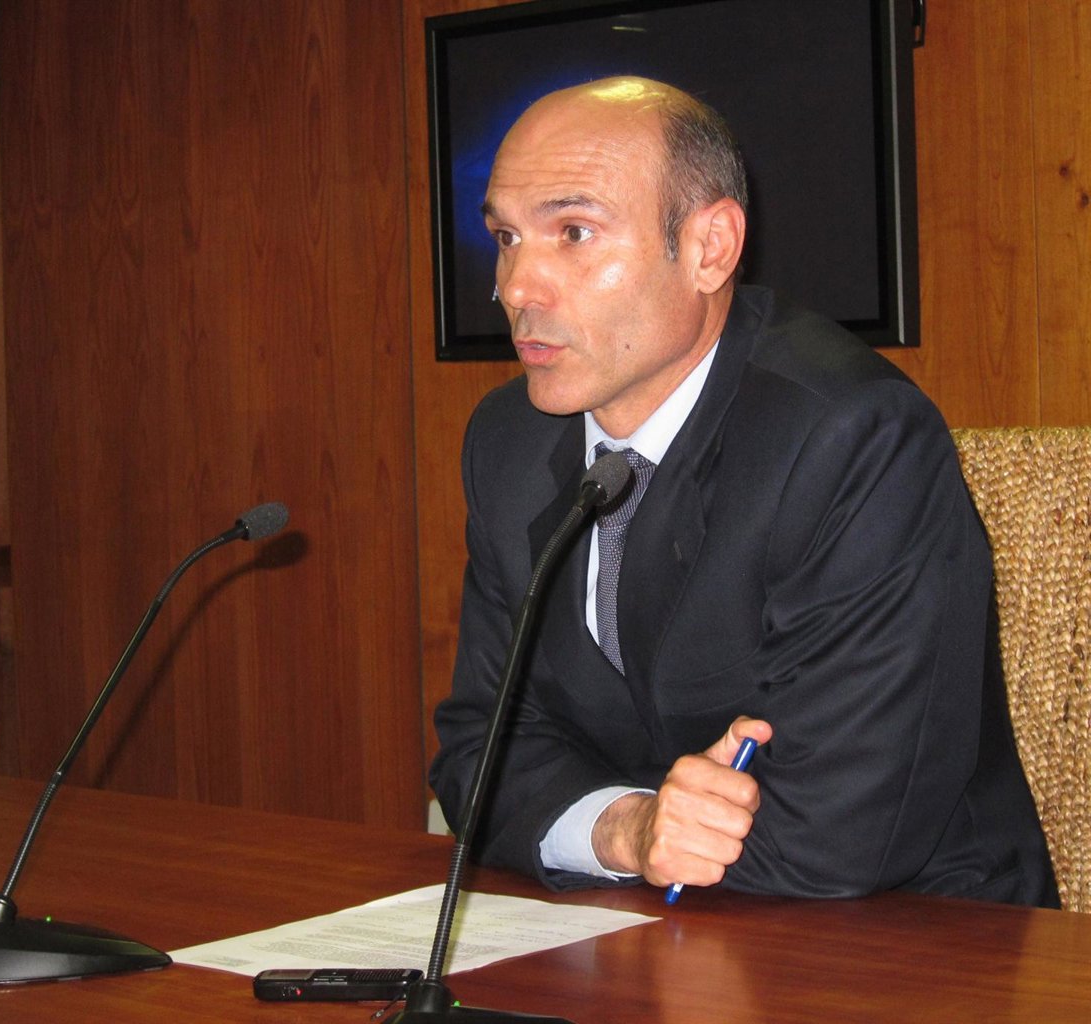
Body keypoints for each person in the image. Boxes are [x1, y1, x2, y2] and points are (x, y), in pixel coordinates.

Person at [429, 77, 1058, 906]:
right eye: (507, 237)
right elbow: (479, 745)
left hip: (909, 931)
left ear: (710, 248)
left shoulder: (851, 437)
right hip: (631, 921)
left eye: (573, 232)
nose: (516, 287)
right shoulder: (509, 440)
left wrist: (645, 834)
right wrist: (627, 829)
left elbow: (845, 829)